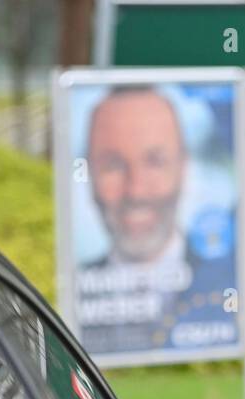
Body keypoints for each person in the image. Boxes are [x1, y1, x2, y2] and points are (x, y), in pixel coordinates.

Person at [77, 85, 236, 354]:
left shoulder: (220, 283)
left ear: (183, 167)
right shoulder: (73, 295)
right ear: (89, 173)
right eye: (113, 165)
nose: (136, 190)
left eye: (155, 162)